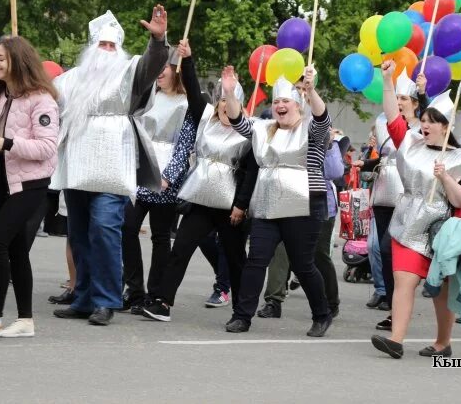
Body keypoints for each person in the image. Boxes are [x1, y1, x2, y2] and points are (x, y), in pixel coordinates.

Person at [51, 7, 169, 326]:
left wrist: (158, 41)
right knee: (79, 234)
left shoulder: (129, 72)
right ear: (91, 48)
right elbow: (42, 94)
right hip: (76, 164)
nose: (106, 50)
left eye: (111, 45)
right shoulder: (70, 80)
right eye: (101, 45)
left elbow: (150, 66)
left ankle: (106, 300)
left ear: (119, 49)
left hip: (112, 166)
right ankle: (85, 298)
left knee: (104, 229)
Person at [371, 59, 461, 359]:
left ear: (447, 127)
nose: (425, 125)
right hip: (407, 224)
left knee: (440, 290)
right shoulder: (409, 142)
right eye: (424, 119)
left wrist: (445, 177)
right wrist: (388, 80)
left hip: (442, 232)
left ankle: (443, 342)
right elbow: (393, 115)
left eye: (433, 121)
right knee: (404, 281)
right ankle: (396, 340)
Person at [141, 40, 257, 322]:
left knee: (234, 257)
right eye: (221, 102)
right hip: (200, 200)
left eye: (230, 103)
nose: (224, 108)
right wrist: (188, 59)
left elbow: (251, 171)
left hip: (230, 206)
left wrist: (241, 206)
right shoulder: (205, 119)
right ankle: (163, 302)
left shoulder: (249, 131)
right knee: (180, 249)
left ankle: (241, 313)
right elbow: (193, 91)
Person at [222, 65, 333, 337]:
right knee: (256, 260)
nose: (280, 106)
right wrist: (229, 91)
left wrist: (310, 90)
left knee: (303, 264)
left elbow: (322, 117)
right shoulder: (263, 129)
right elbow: (238, 121)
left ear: (297, 105)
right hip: (268, 204)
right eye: (276, 102)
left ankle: (322, 314)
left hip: (304, 205)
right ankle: (242, 316)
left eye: (286, 101)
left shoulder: (311, 129)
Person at [0, 36, 59, 340]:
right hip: (2, 184)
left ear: (18, 62)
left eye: (2, 58)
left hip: (31, 185)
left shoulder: (42, 100)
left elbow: (47, 147)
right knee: (18, 251)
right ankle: (25, 320)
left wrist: (7, 144)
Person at [121, 48, 193, 313]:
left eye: (165, 67)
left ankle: (154, 293)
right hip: (140, 170)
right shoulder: (147, 97)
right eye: (157, 67)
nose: (160, 72)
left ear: (176, 70)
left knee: (161, 237)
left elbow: (184, 146)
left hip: (164, 176)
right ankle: (135, 290)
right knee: (126, 228)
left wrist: (168, 177)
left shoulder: (186, 104)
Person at [255, 126, 345, 319]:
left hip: (317, 204)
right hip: (285, 200)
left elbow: (335, 172)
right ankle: (273, 300)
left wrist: (328, 144)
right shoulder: (280, 134)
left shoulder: (322, 134)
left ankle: (330, 302)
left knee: (318, 255)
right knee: (280, 251)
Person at [366, 70, 428, 327]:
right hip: (384, 190)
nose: (400, 102)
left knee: (391, 250)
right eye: (398, 97)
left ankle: (398, 307)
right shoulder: (384, 123)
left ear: (415, 103)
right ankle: (393, 308)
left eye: (406, 98)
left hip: (407, 194)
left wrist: (424, 94)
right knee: (383, 250)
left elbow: (435, 118)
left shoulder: (422, 128)